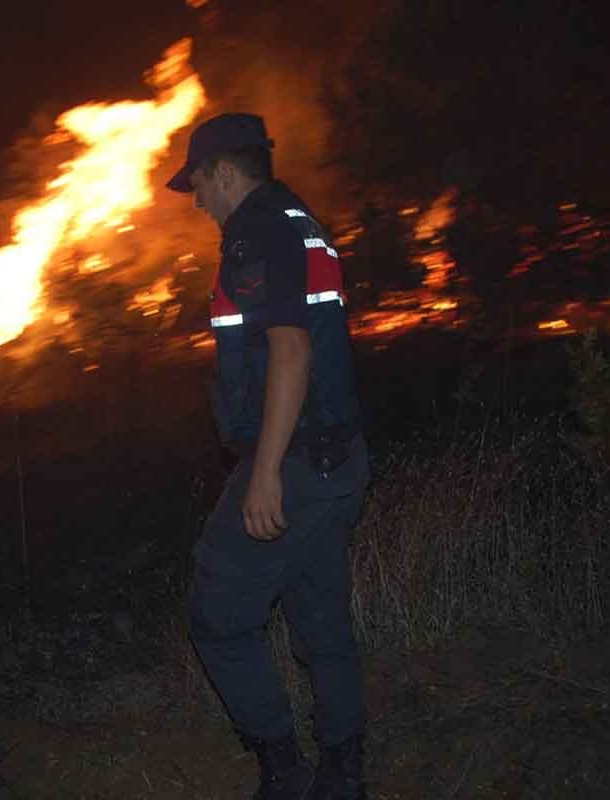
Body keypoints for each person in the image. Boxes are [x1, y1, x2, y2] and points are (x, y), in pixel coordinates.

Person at [167, 113, 371, 800]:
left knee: (218, 616)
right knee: (319, 617)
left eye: (198, 184)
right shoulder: (299, 219)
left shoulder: (256, 230)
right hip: (335, 459)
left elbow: (290, 349)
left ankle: (282, 768)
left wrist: (262, 475)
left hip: (292, 465)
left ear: (224, 171)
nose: (198, 202)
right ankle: (342, 771)